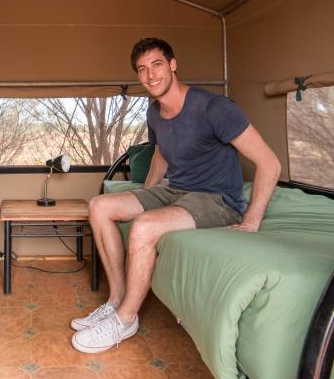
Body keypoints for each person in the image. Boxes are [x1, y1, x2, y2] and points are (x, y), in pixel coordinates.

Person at [71, 37, 281, 354]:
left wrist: (251, 221)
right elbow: (161, 153)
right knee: (100, 205)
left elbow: (269, 163)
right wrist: (147, 190)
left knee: (144, 226)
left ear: (172, 64)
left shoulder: (215, 108)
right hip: (174, 189)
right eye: (142, 70)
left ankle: (126, 319)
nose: (150, 75)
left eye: (157, 65)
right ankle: (116, 301)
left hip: (215, 198)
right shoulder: (154, 113)